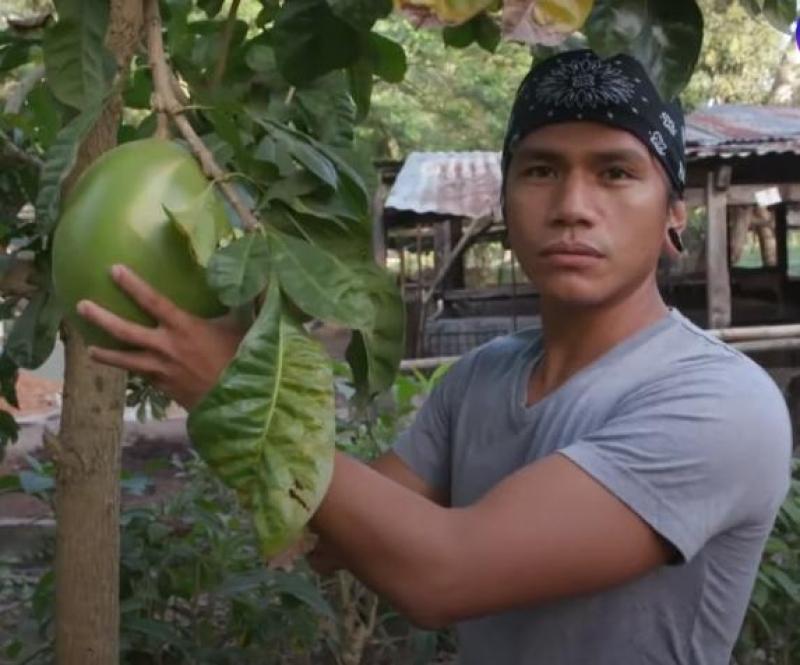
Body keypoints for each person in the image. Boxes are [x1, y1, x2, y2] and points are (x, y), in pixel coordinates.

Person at [78, 49, 792, 664]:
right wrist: (255, 363)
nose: (574, 204)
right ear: (506, 202)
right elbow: (328, 533)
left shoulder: (720, 403)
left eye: (615, 172)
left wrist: (231, 386)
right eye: (542, 170)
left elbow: (442, 575)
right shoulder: (483, 377)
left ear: (675, 211)